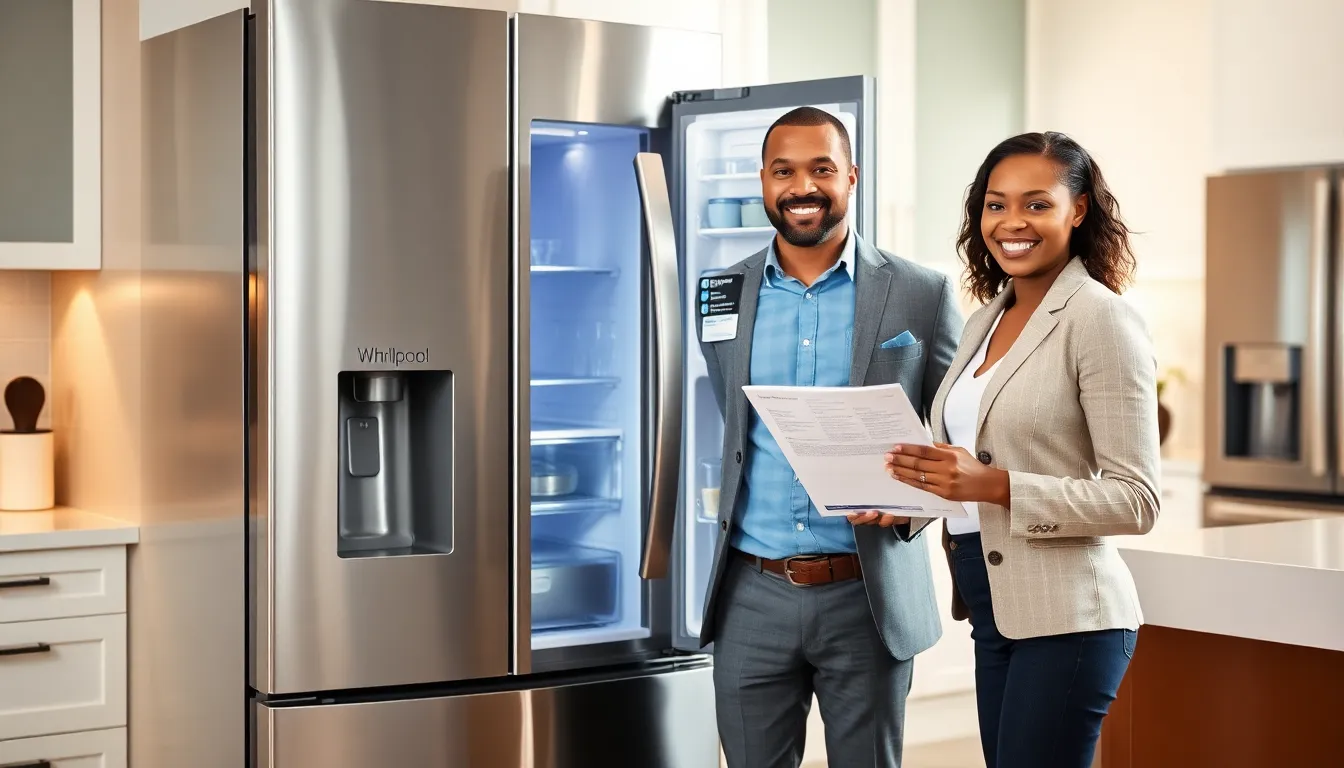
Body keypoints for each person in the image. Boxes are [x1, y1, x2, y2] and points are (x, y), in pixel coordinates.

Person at [696, 105, 963, 768]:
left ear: (851, 176)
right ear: (762, 179)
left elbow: (962, 432)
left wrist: (917, 501)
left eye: (821, 168)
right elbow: (732, 426)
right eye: (783, 170)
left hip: (865, 594)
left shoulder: (920, 292)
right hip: (749, 594)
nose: (801, 187)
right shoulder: (721, 291)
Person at [883, 131, 1160, 768]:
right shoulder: (988, 317)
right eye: (995, 204)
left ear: (1079, 209)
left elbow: (1136, 499)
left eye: (1037, 204)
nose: (1012, 222)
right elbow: (967, 457)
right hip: (992, 606)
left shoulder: (1100, 319)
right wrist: (906, 502)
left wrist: (997, 486)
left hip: (1071, 617)